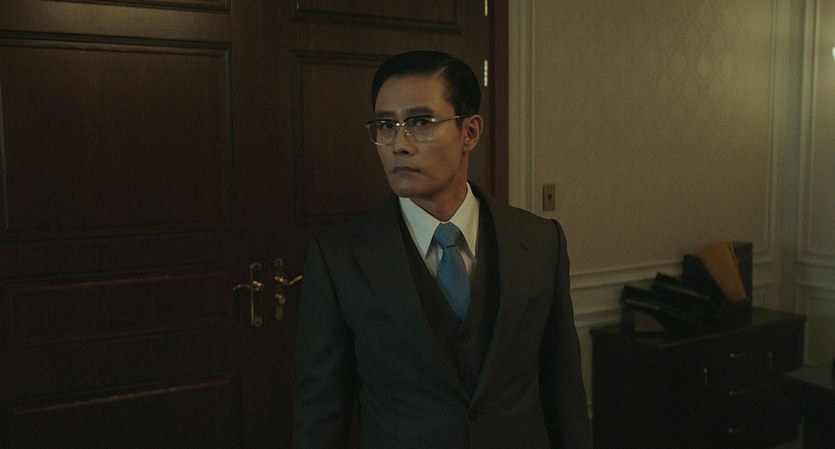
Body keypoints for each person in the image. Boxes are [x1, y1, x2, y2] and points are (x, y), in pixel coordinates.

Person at [293, 51, 592, 449]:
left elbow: (563, 391)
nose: (399, 145)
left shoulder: (539, 241)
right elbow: (321, 414)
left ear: (470, 132)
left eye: (420, 123)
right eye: (386, 125)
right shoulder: (339, 259)